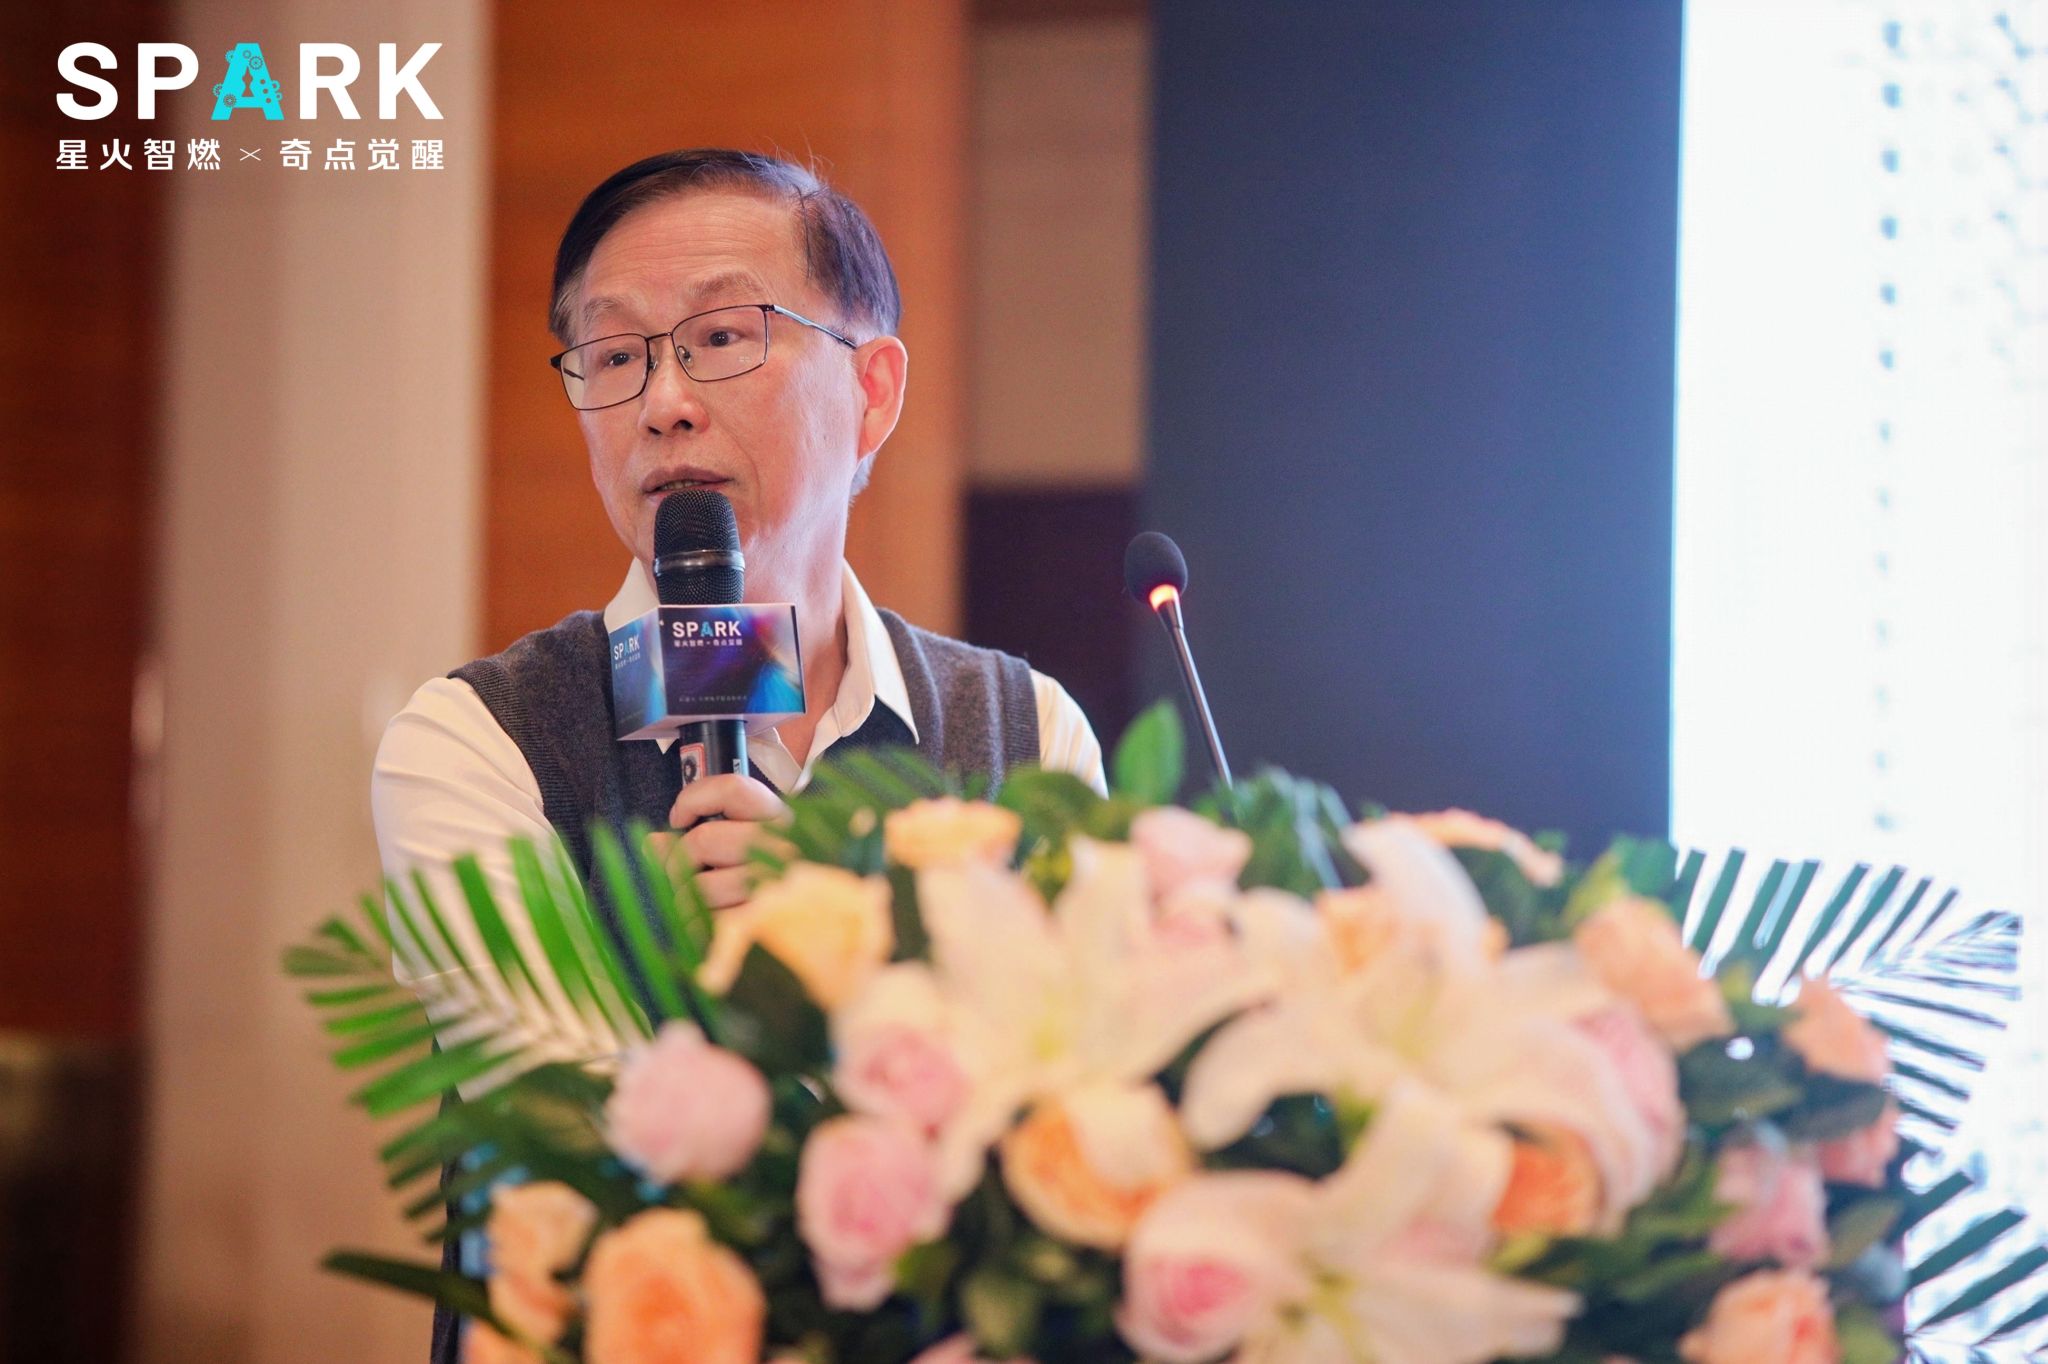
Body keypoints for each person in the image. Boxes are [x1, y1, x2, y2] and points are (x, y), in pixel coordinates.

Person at [371, 147, 1106, 1362]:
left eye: (720, 337)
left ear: (872, 390)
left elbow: (1074, 1153)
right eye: (615, 356)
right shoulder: (477, 743)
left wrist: (839, 969)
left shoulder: (1026, 732)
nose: (662, 401)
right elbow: (568, 1167)